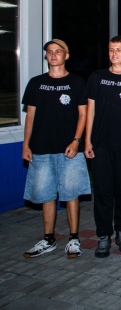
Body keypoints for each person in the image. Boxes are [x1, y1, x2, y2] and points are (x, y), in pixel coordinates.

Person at [21, 39, 92, 259]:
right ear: (46, 56)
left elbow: (83, 114)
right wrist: (26, 145)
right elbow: (30, 116)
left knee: (71, 194)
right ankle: (48, 239)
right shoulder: (36, 83)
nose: (53, 55)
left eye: (58, 51)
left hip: (69, 149)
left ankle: (74, 238)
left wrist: (76, 141)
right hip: (41, 148)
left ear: (66, 56)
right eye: (50, 52)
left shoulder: (77, 82)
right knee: (46, 195)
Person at [84, 35, 121, 258]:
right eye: (111, 49)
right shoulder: (97, 77)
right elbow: (90, 110)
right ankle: (103, 235)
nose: (114, 53)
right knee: (102, 191)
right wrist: (88, 140)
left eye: (119, 49)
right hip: (101, 144)